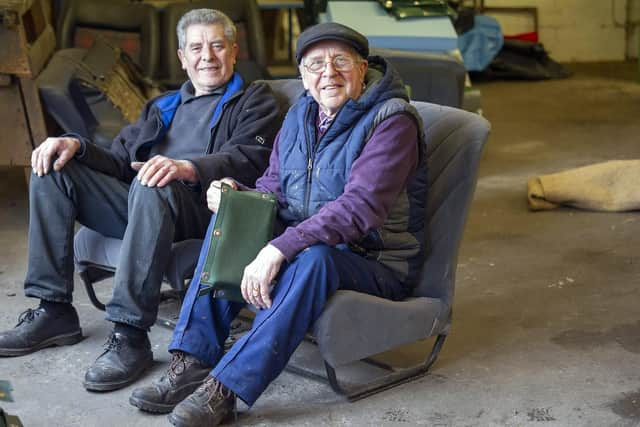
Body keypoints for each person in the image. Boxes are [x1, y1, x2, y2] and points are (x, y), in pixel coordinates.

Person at [129, 22, 428, 426]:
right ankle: (194, 359)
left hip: (374, 260)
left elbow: (361, 209)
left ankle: (226, 388)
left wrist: (279, 248)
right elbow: (275, 187)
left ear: (362, 68)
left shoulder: (392, 121)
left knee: (314, 259)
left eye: (341, 61)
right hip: (310, 244)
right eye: (316, 64)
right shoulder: (301, 114)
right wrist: (237, 193)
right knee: (234, 221)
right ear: (303, 76)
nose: (329, 74)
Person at [0, 8, 281, 392]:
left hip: (205, 207)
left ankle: (130, 336)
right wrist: (75, 144)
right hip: (144, 201)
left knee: (153, 182)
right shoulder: (162, 105)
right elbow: (119, 160)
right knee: (53, 169)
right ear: (182, 58)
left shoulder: (255, 100)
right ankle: (53, 310)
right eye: (196, 47)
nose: (207, 56)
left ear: (233, 51)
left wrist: (186, 167)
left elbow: (250, 158)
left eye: (217, 45)